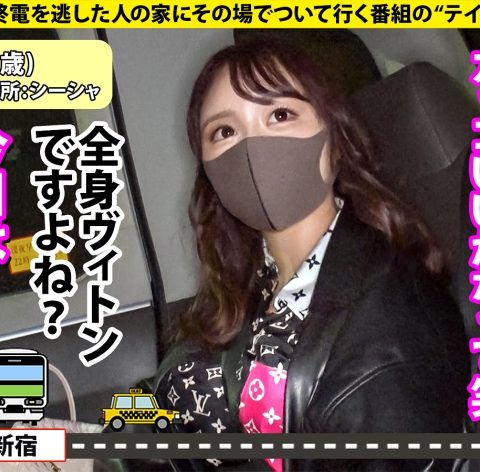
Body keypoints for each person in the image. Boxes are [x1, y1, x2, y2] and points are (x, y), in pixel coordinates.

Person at [152, 38, 468, 471]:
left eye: (280, 115)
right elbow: (169, 404)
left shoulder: (390, 334)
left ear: (334, 142)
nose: (251, 148)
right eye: (224, 132)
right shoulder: (248, 278)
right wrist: (93, 440)